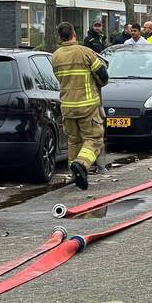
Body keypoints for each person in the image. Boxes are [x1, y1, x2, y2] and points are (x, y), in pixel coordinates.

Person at [51, 22, 109, 191]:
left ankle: (76, 175)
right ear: (74, 34)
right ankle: (81, 164)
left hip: (67, 106)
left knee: (74, 141)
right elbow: (103, 76)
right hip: (88, 105)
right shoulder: (85, 52)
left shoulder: (56, 56)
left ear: (60, 36)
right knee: (94, 140)